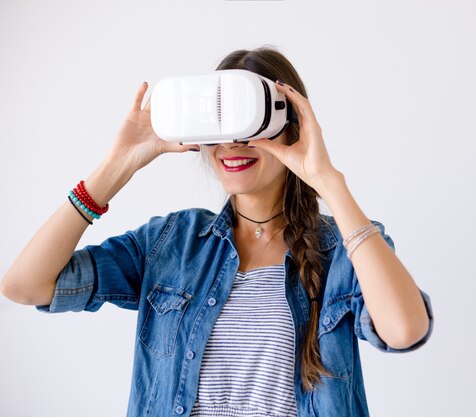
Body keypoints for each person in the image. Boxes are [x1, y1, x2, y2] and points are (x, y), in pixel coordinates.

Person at [0, 46, 434, 417]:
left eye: (249, 124)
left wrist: (329, 182)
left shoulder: (345, 248)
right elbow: (25, 285)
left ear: (292, 128)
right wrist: (117, 165)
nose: (232, 144)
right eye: (219, 127)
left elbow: (404, 331)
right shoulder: (171, 242)